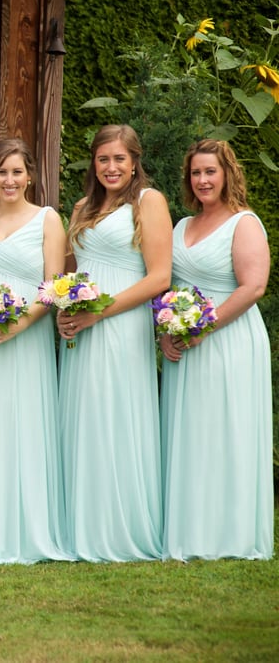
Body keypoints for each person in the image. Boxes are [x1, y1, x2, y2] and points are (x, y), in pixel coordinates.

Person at [57, 124, 171, 562]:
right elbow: (72, 272)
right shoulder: (83, 207)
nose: (111, 167)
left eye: (119, 159)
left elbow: (159, 276)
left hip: (120, 325)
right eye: (103, 159)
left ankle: (121, 529)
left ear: (135, 161)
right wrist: (68, 312)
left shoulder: (149, 202)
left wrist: (98, 312)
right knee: (84, 417)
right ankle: (81, 527)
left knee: (116, 416)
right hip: (82, 328)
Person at [160, 139, 273, 560]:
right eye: (196, 173)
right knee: (189, 431)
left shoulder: (244, 223)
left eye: (210, 171)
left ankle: (229, 534)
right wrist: (167, 331)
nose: (203, 180)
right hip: (185, 342)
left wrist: (203, 327)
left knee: (226, 430)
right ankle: (190, 529)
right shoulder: (181, 226)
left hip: (229, 341)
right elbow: (169, 287)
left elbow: (253, 286)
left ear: (227, 173)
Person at [0, 138, 71, 565]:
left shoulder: (47, 220)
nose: (9, 180)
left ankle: (28, 531)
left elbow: (53, 287)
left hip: (29, 340)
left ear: (30, 176)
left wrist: (19, 325)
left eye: (17, 172)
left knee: (25, 425)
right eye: (1, 172)